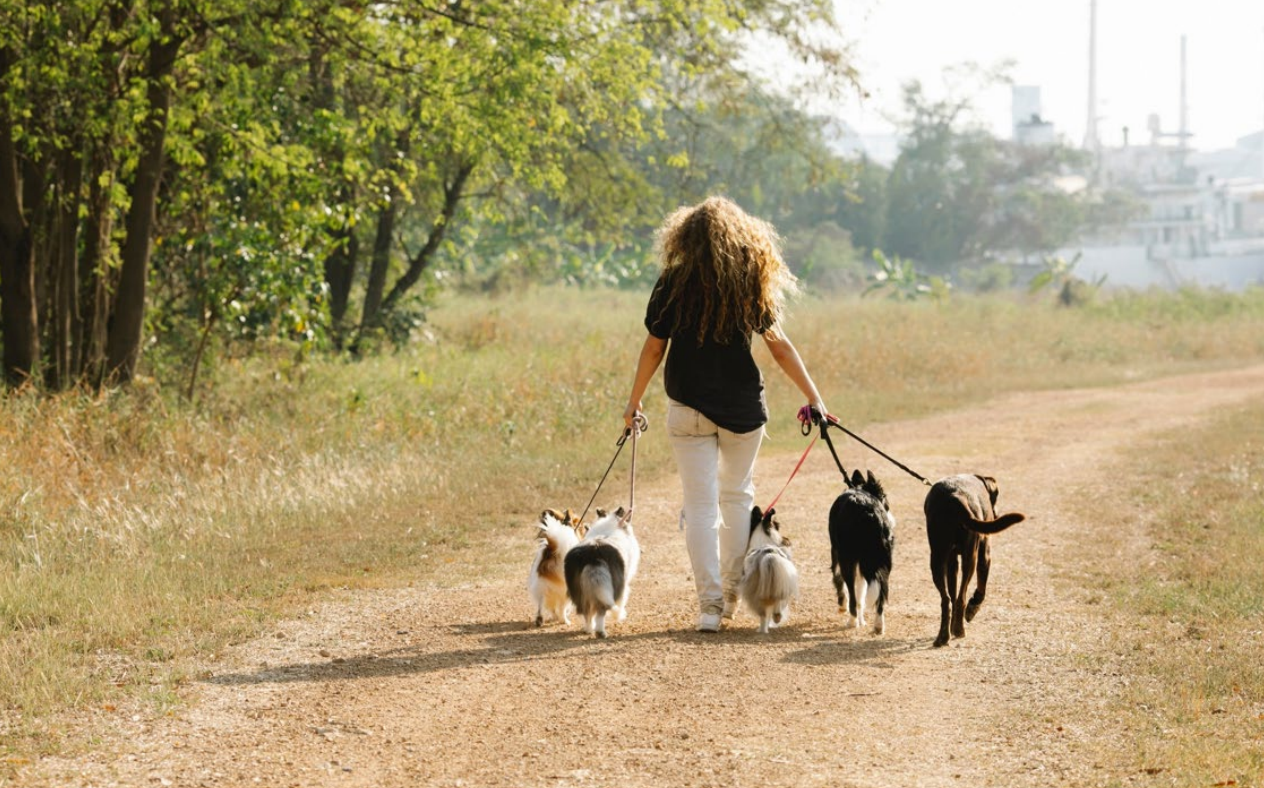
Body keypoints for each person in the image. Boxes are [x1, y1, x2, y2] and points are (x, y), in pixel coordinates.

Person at [622, 196, 829, 633]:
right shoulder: (748, 281)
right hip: (742, 411)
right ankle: (733, 596)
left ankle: (709, 607)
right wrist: (815, 397)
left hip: (687, 408)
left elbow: (654, 347)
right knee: (736, 498)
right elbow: (779, 346)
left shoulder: (673, 283)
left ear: (685, 237)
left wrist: (633, 401)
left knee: (699, 506)